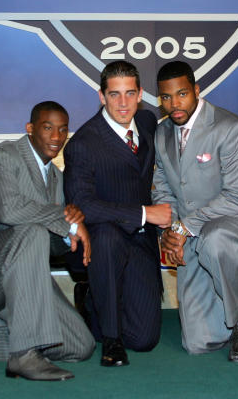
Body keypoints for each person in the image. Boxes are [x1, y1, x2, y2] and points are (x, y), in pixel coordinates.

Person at [0, 101, 94, 381]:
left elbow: (50, 244)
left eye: (63, 129)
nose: (56, 136)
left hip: (23, 281)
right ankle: (24, 355)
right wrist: (69, 221)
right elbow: (9, 210)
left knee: (81, 345)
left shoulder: (57, 177)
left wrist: (70, 237)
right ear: (30, 129)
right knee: (32, 230)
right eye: (48, 127)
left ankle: (4, 325)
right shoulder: (1, 156)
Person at [153, 61, 238, 362]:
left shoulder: (231, 128)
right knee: (198, 343)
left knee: (216, 239)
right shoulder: (162, 132)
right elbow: (162, 187)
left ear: (196, 90)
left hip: (234, 227)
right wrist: (168, 231)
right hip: (189, 234)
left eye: (181, 94)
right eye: (166, 97)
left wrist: (183, 227)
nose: (174, 104)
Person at [63, 61, 171, 367]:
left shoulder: (148, 122)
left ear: (140, 95)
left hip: (140, 241)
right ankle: (110, 338)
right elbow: (82, 205)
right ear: (101, 96)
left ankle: (92, 301)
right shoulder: (83, 144)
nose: (122, 103)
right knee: (107, 235)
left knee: (144, 340)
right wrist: (144, 214)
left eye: (129, 94)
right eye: (114, 95)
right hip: (103, 239)